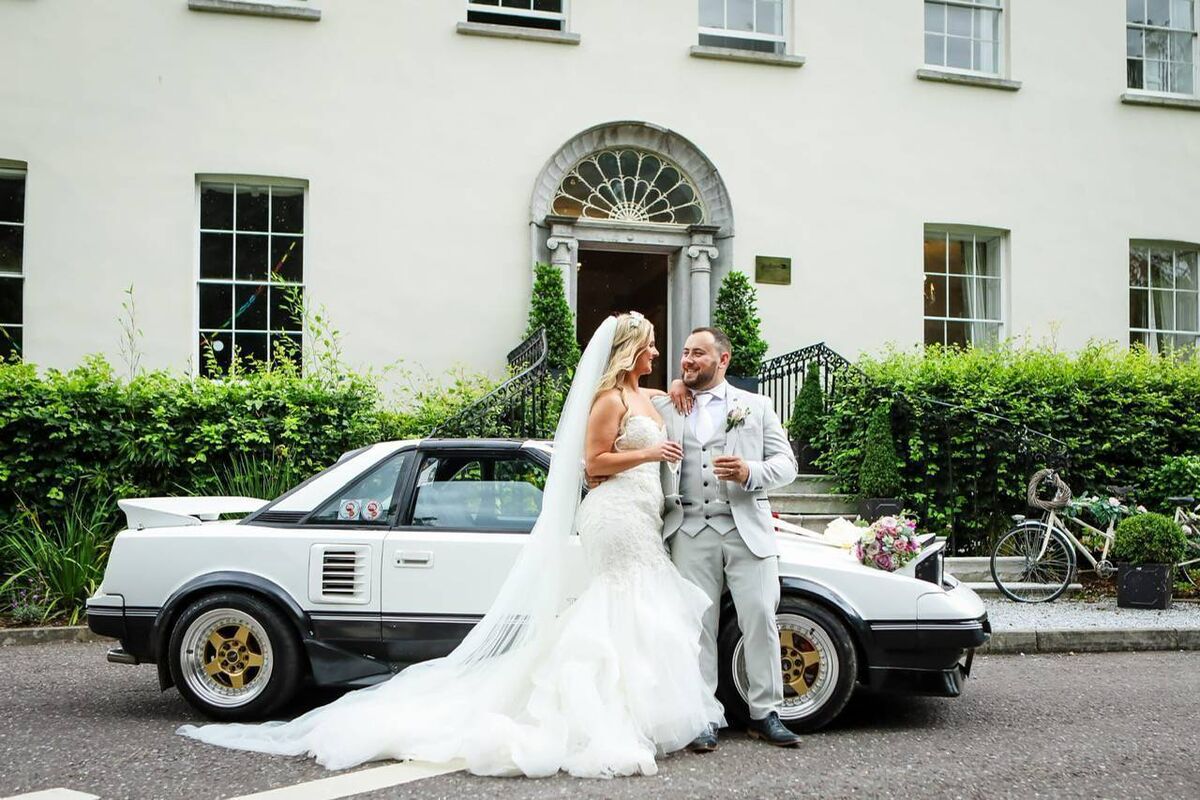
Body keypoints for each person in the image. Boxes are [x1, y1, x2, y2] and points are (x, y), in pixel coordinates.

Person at [178, 312, 721, 778]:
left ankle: (634, 715)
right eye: (651, 343)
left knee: (633, 611)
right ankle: (607, 718)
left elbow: (659, 403)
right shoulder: (606, 400)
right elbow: (592, 465)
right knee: (616, 608)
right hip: (615, 520)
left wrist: (675, 390)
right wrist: (649, 457)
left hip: (642, 518)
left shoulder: (643, 396)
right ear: (631, 351)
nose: (659, 351)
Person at [651, 327, 802, 751]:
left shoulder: (756, 406)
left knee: (760, 618)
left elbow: (787, 465)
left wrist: (750, 473)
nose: (688, 360)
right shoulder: (669, 405)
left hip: (745, 529)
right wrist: (677, 384)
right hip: (689, 529)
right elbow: (624, 393)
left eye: (698, 353)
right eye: (684, 354)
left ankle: (765, 713)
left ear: (724, 360)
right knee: (695, 626)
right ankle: (701, 716)